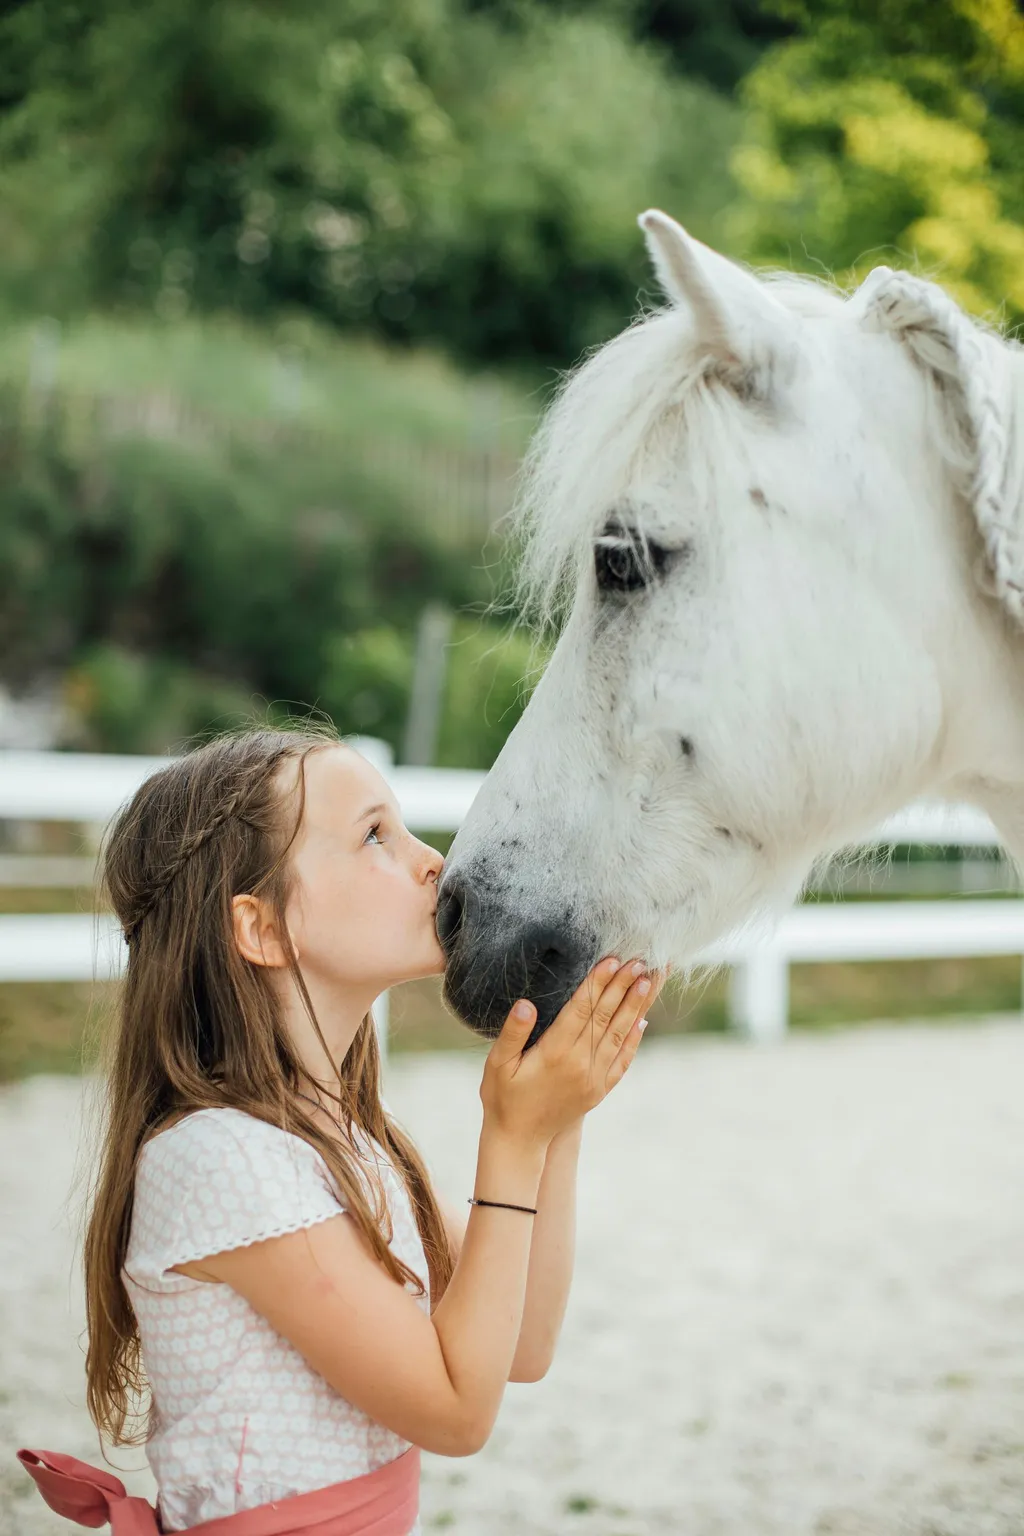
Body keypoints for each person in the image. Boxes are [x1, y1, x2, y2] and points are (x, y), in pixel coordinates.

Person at [18, 723, 663, 1535]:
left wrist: (558, 1117)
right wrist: (513, 1141)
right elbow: (457, 1413)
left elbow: (523, 1343)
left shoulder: (350, 1142)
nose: (433, 861)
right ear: (259, 928)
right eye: (374, 837)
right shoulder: (221, 1161)